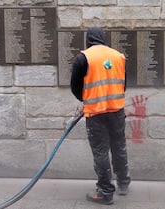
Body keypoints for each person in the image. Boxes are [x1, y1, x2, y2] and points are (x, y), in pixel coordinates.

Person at [70, 27, 131, 205]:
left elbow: (75, 86)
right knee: (119, 147)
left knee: (100, 151)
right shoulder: (118, 56)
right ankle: (123, 183)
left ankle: (105, 192)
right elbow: (123, 85)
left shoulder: (84, 58)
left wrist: (86, 99)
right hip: (117, 110)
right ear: (103, 39)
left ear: (88, 40)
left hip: (96, 113)